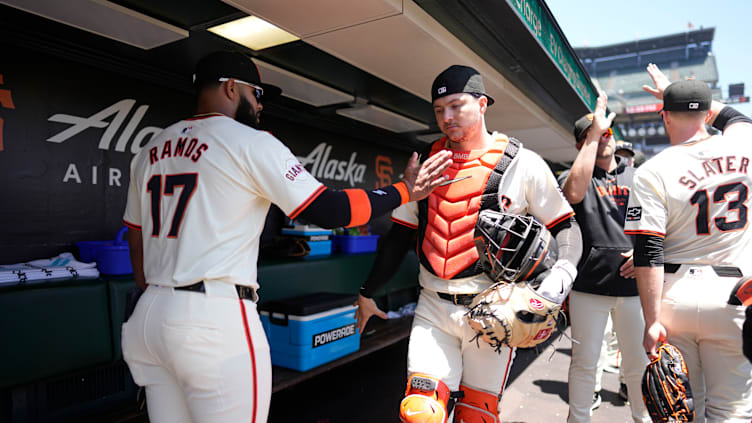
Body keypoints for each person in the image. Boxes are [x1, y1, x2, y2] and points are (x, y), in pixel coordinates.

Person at [120, 50, 452, 423]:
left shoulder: (150, 149)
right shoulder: (249, 141)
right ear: (231, 88)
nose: (260, 106)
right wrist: (405, 189)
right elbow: (331, 211)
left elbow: (137, 239)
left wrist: (161, 297)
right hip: (212, 318)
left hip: (150, 316)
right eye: (256, 94)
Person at [355, 64, 583, 422]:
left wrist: (562, 275)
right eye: (438, 109)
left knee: (477, 416)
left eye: (456, 106)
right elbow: (399, 235)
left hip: (493, 310)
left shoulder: (522, 163)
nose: (447, 117)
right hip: (433, 305)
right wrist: (368, 292)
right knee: (420, 413)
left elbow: (566, 225)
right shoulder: (427, 164)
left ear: (482, 104)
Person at [626, 63, 752, 422]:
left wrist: (651, 321)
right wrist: (684, 94)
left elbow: (648, 251)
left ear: (665, 117)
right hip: (736, 294)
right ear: (708, 113)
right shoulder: (744, 144)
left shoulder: (653, 169)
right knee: (734, 412)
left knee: (683, 410)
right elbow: (737, 117)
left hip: (674, 295)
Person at [559, 95, 650, 423]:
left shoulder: (638, 175)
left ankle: (643, 419)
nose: (603, 138)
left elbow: (658, 228)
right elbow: (573, 194)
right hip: (589, 286)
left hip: (634, 286)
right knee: (585, 361)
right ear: (581, 143)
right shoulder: (578, 176)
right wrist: (593, 136)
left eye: (607, 133)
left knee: (638, 365)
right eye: (594, 135)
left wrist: (643, 252)